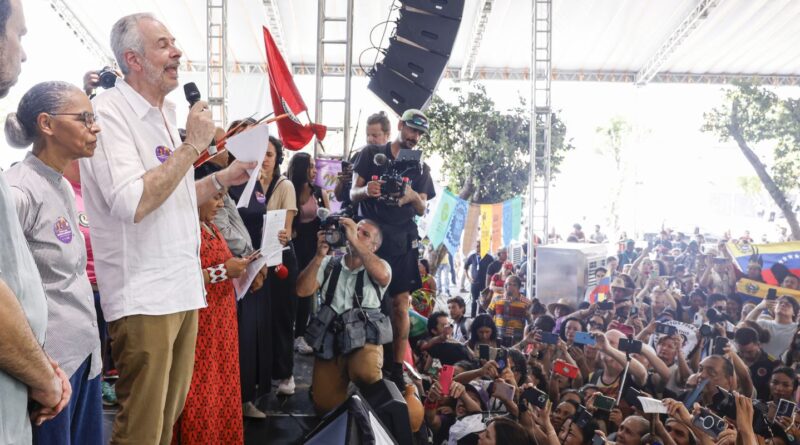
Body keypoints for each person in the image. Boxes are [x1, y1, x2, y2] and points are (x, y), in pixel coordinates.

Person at [79, 13, 254, 444]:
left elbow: (170, 195)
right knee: (141, 429)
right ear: (133, 60)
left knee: (167, 421)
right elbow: (133, 201)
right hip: (144, 296)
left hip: (182, 287)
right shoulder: (108, 112)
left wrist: (219, 180)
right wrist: (193, 145)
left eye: (174, 41)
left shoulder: (163, 112)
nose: (177, 51)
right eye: (164, 44)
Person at [4, 81, 103, 444]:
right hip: (50, 371)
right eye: (84, 118)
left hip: (83, 357)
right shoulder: (18, 191)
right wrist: (38, 372)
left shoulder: (60, 185)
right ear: (46, 124)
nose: (95, 127)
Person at [0, 2, 72, 443]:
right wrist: (43, 376)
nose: (23, 53)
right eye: (18, 35)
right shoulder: (24, 185)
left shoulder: (60, 185)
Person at [350, 108, 436, 388]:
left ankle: (397, 369)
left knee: (400, 305)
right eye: (411, 130)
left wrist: (413, 197)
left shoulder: (421, 168)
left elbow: (423, 208)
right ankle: (353, 359)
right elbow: (352, 192)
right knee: (360, 300)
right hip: (371, 236)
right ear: (400, 125)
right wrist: (367, 190)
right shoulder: (371, 153)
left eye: (419, 133)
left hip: (402, 238)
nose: (414, 137)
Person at [172, 174, 249, 444]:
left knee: (220, 386)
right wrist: (222, 272)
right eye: (216, 197)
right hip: (202, 323)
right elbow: (180, 276)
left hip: (221, 321)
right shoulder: (185, 230)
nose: (220, 204)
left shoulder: (210, 227)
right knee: (201, 389)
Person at [295, 217, 392, 414]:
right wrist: (319, 256)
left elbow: (382, 276)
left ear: (374, 247)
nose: (355, 233)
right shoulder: (330, 263)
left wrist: (354, 240)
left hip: (363, 341)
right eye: (355, 229)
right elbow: (302, 290)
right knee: (324, 406)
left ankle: (367, 406)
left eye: (364, 233)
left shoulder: (380, 266)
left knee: (365, 372)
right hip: (331, 341)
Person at [287, 152, 329, 356]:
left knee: (307, 290)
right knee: (291, 288)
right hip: (293, 244)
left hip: (313, 243)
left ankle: (300, 335)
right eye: (311, 166)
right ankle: (289, 331)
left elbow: (328, 217)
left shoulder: (318, 191)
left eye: (315, 166)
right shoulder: (288, 189)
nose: (314, 171)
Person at [333, 110, 391, 206]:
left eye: (375, 135)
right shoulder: (358, 156)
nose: (369, 139)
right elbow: (338, 197)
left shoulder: (392, 162)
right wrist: (341, 181)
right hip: (350, 215)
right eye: (368, 135)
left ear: (387, 135)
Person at [745, 295, 800, 359]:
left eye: (787, 304)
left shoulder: (797, 328)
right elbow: (746, 325)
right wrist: (759, 307)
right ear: (774, 308)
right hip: (761, 363)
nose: (782, 305)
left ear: (794, 313)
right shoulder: (763, 323)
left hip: (785, 366)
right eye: (780, 303)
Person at [733, 326, 779, 399]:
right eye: (741, 352)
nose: (745, 355)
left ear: (758, 344)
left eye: (750, 352)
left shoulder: (772, 363)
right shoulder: (733, 359)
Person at [487, 275, 531, 346]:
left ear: (519, 288)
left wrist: (526, 341)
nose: (511, 287)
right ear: (505, 286)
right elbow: (488, 316)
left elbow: (531, 323)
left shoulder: (526, 303)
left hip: (517, 342)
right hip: (498, 339)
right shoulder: (497, 299)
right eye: (509, 284)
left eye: (514, 285)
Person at [465, 239, 495, 318]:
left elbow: (494, 270)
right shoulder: (473, 256)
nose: (477, 248)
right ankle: (472, 318)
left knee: (483, 302)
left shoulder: (489, 258)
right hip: (474, 283)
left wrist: (491, 281)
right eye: (476, 246)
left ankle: (481, 318)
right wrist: (469, 278)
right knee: (474, 301)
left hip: (484, 284)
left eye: (478, 246)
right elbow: (465, 267)